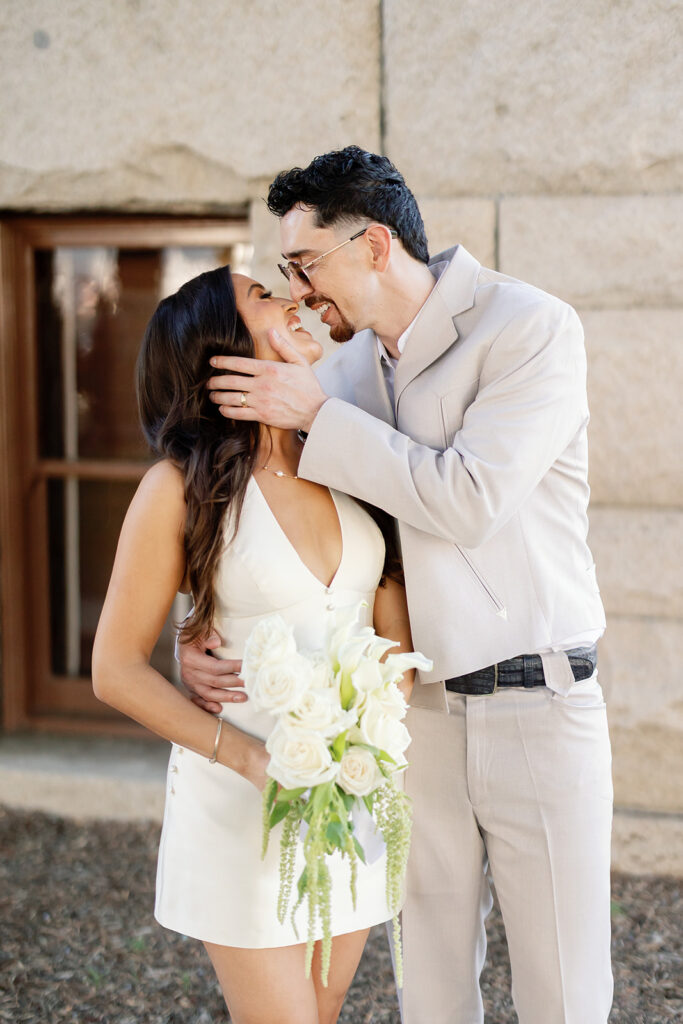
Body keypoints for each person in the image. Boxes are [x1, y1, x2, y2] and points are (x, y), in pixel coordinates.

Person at [179, 146, 613, 1024]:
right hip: (406, 724)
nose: (296, 291)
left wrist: (318, 418)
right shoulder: (335, 372)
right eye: (285, 273)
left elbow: (470, 499)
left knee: (563, 994)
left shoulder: (529, 328)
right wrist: (200, 624)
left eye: (305, 264)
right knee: (431, 992)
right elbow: (263, 507)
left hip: (537, 702)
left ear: (374, 245)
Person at [91, 264, 418, 1024]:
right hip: (243, 805)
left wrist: (374, 717)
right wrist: (252, 761)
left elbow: (391, 631)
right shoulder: (177, 490)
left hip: (351, 794)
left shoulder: (342, 455)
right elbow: (112, 669)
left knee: (324, 1010)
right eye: (265, 297)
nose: (295, 301)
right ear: (224, 349)